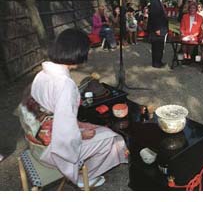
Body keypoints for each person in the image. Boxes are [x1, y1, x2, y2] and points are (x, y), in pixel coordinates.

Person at [17, 29, 128, 188]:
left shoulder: (42, 74)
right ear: (78, 52)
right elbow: (65, 134)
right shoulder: (64, 85)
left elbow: (50, 113)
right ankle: (82, 177)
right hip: (51, 150)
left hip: (34, 140)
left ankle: (81, 168)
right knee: (113, 138)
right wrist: (82, 134)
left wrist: (80, 125)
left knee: (93, 128)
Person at [147, 0, 169, 68]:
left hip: (161, 26)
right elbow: (154, 15)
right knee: (157, 45)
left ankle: (158, 61)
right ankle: (156, 62)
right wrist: (157, 28)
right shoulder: (155, 1)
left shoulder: (159, 0)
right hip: (157, 27)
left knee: (160, 45)